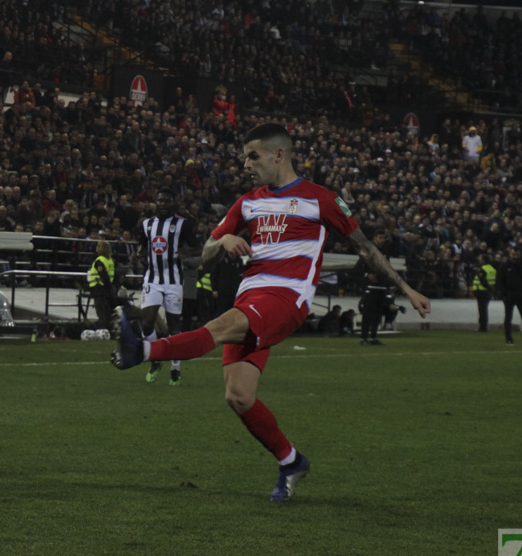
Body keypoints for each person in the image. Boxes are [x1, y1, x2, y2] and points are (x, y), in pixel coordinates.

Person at [111, 124, 431, 502]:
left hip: (288, 296)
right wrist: (225, 239)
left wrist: (406, 288)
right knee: (238, 396)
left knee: (222, 325)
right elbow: (202, 257)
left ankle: (144, 351)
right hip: (251, 296)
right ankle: (290, 460)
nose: (246, 163)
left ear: (278, 155)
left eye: (253, 155)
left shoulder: (321, 199)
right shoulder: (247, 202)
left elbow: (366, 249)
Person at [135, 189, 199, 385]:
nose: (163, 204)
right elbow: (142, 247)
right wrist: (138, 255)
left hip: (174, 280)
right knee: (147, 323)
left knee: (174, 327)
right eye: (160, 200)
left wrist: (188, 251)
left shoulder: (183, 224)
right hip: (152, 278)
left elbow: (198, 246)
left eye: (167, 201)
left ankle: (175, 367)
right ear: (156, 202)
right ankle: (155, 360)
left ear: (173, 203)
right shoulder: (146, 224)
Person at [496, 245, 522, 346]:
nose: (515, 256)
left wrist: (518, 266)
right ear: (510, 254)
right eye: (513, 254)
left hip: (521, 294)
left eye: (516, 254)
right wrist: (504, 294)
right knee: (508, 317)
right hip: (509, 295)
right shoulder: (504, 266)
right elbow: (499, 281)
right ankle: (508, 339)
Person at [87, 240, 116, 330]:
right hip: (106, 288)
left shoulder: (99, 261)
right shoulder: (110, 260)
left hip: (99, 288)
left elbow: (103, 275)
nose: (96, 248)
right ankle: (108, 328)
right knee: (106, 310)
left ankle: (103, 329)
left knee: (100, 311)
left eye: (98, 246)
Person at [471, 254, 496, 332]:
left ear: (483, 260)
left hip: (481, 291)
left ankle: (483, 327)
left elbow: (483, 281)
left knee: (482, 309)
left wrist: (487, 288)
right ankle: (483, 326)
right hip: (488, 292)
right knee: (484, 308)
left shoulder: (482, 269)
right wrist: (491, 290)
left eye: (480, 258)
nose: (479, 259)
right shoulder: (492, 269)